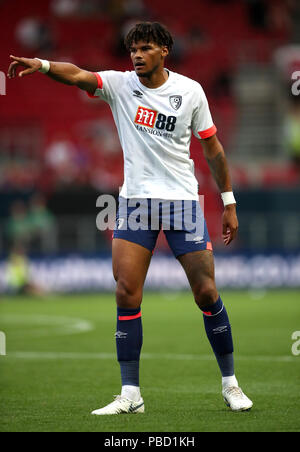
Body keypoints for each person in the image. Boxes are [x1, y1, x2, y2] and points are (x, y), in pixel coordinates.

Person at [8, 21, 253, 414]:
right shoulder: (121, 86)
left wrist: (228, 202)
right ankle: (131, 394)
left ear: (164, 51)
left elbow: (213, 149)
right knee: (125, 292)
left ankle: (231, 384)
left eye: (144, 48)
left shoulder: (190, 91)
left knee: (206, 292)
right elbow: (78, 75)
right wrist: (43, 64)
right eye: (133, 49)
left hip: (182, 204)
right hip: (135, 203)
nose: (137, 55)